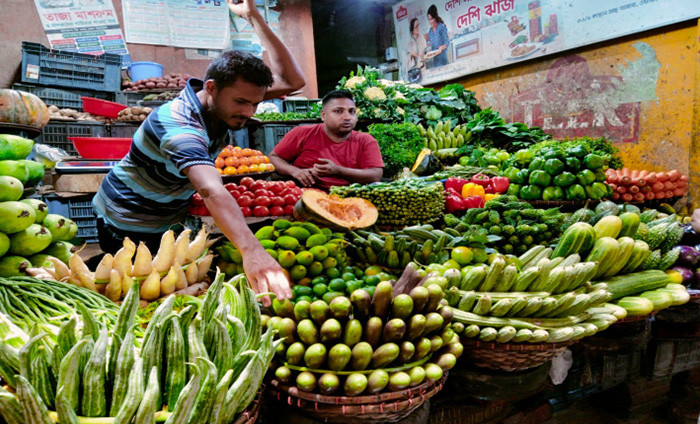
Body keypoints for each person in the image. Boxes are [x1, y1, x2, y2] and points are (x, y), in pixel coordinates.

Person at [93, 0, 305, 305]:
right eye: (243, 102)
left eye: (255, 103)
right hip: (126, 219)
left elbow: (294, 82)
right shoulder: (179, 125)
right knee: (138, 300)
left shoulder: (225, 99)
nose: (249, 112)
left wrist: (253, 16)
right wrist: (252, 250)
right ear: (212, 87)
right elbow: (209, 187)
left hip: (168, 217)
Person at [268, 90, 384, 190]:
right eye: (338, 111)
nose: (347, 117)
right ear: (323, 115)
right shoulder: (301, 133)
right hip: (304, 196)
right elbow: (274, 158)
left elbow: (375, 175)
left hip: (349, 198)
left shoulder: (366, 140)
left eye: (352, 111)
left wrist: (338, 171)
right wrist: (296, 171)